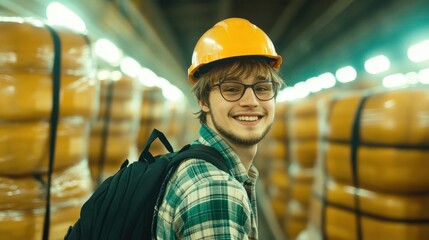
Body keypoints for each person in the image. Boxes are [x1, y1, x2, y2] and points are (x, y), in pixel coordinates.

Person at [155, 17, 284, 239]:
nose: (251, 101)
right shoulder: (216, 190)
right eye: (232, 89)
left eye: (262, 88)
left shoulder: (197, 164)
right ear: (203, 101)